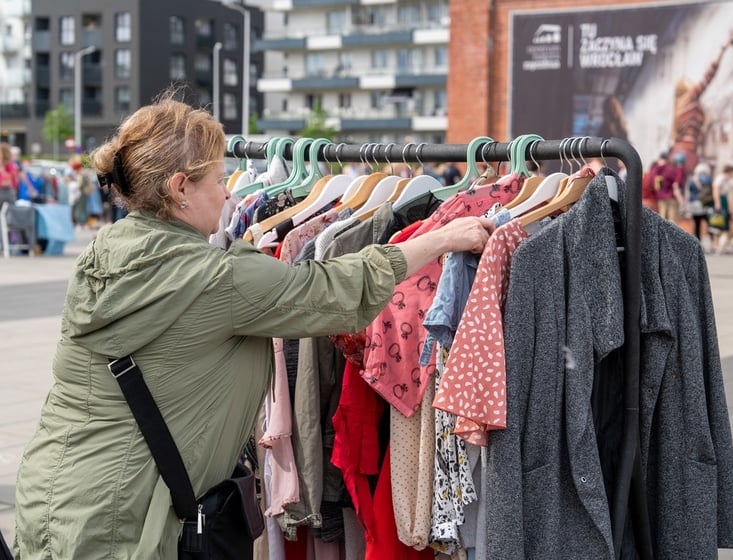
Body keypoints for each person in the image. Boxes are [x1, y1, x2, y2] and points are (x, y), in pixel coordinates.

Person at [13, 93, 495, 558]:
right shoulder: (215, 278)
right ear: (180, 188)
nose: (229, 193)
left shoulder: (106, 250)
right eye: (219, 180)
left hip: (55, 494)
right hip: (127, 516)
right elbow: (335, 290)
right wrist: (443, 237)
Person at [668, 30, 733, 172]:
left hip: (677, 153)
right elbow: (708, 75)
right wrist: (723, 48)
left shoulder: (678, 110)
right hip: (689, 153)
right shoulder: (690, 97)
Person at [711, 163, 733, 254]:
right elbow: (716, 190)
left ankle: (724, 244)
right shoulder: (721, 178)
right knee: (718, 223)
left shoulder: (727, 180)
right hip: (721, 200)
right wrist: (718, 203)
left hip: (724, 200)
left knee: (725, 224)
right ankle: (716, 244)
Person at [686, 162, 713, 242]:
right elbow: (710, 191)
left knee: (697, 223)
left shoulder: (692, 178)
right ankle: (711, 240)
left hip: (693, 202)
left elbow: (689, 190)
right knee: (709, 222)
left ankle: (698, 241)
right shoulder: (708, 178)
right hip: (704, 202)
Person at [0, 143, 18, 208]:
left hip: (6, 190)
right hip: (9, 191)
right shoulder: (11, 165)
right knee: (12, 211)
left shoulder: (9, 165)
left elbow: (7, 181)